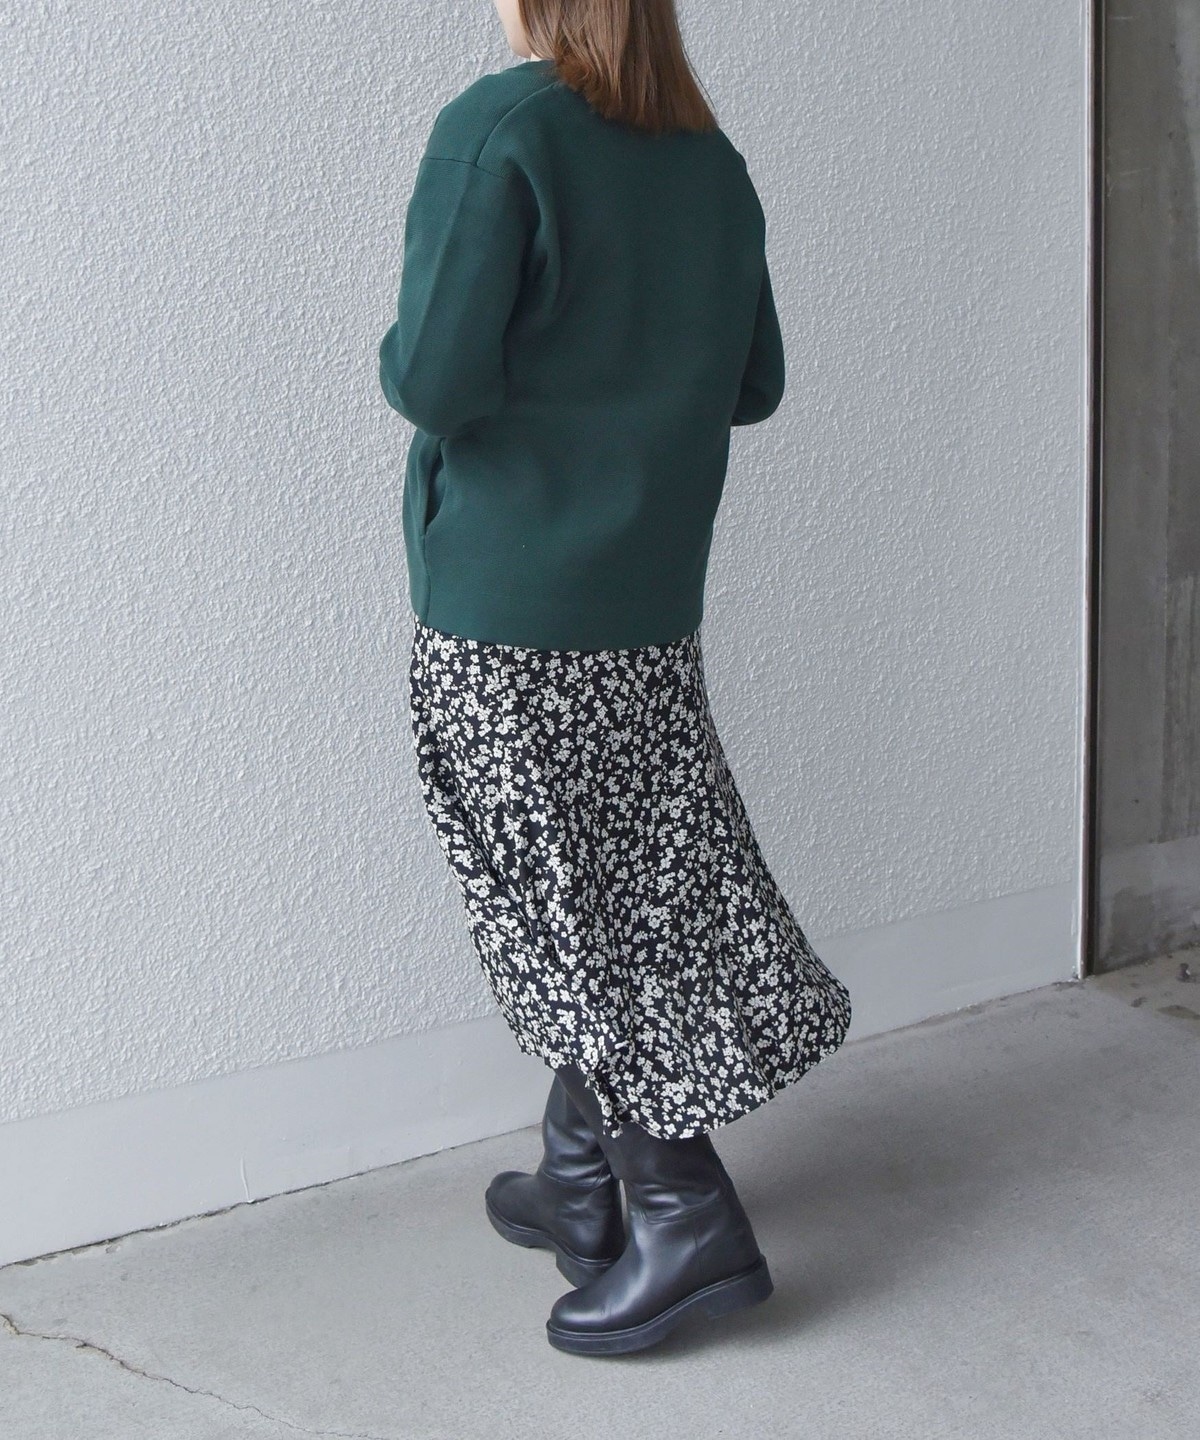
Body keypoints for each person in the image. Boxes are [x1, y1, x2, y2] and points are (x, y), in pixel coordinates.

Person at [378, 0, 852, 1357]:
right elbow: (754, 380)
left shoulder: (499, 130)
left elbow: (433, 380)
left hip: (511, 606)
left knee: (562, 911)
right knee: (621, 878)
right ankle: (581, 1179)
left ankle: (686, 1213)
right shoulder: (707, 158)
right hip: (648, 606)